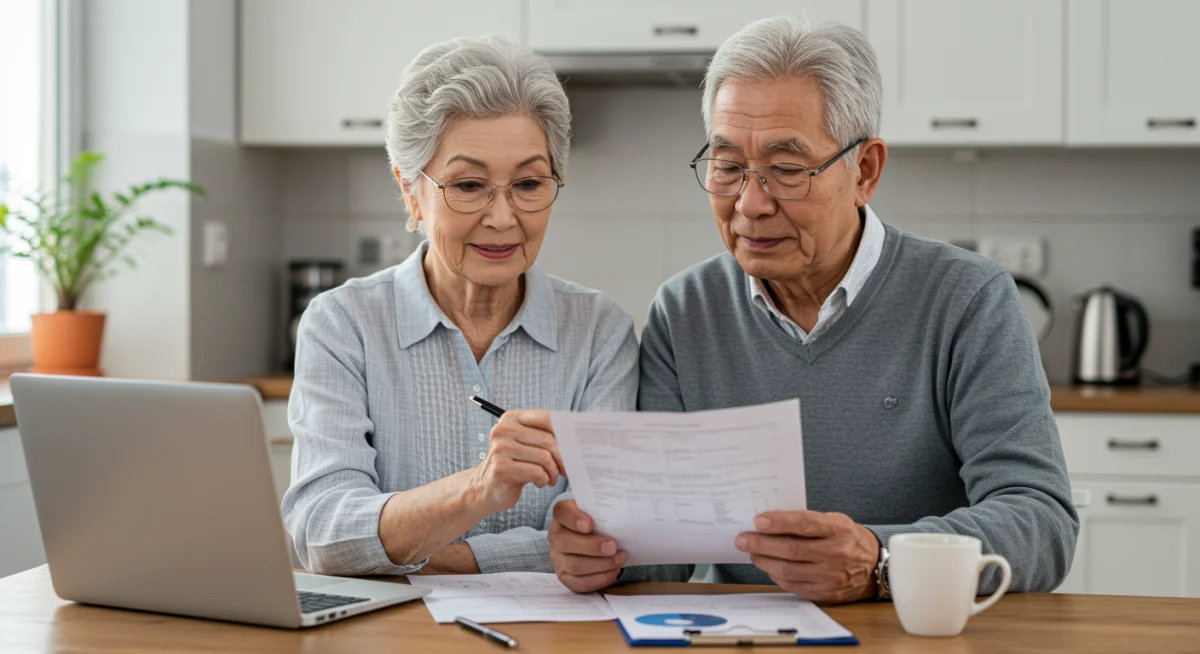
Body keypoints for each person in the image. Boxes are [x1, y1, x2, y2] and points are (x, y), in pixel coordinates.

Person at [547, 15, 1078, 603]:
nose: (750, 204)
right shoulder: (686, 309)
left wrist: (880, 561)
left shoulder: (966, 299)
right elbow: (670, 549)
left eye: (787, 170)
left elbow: (1042, 522)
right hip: (746, 639)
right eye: (727, 168)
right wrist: (607, 554)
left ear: (865, 171)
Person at [282, 36, 638, 577]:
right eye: (469, 185)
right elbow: (324, 533)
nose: (502, 217)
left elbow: (619, 542)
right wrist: (478, 490)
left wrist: (429, 557)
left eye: (528, 183)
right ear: (409, 192)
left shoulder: (600, 331)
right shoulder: (344, 324)